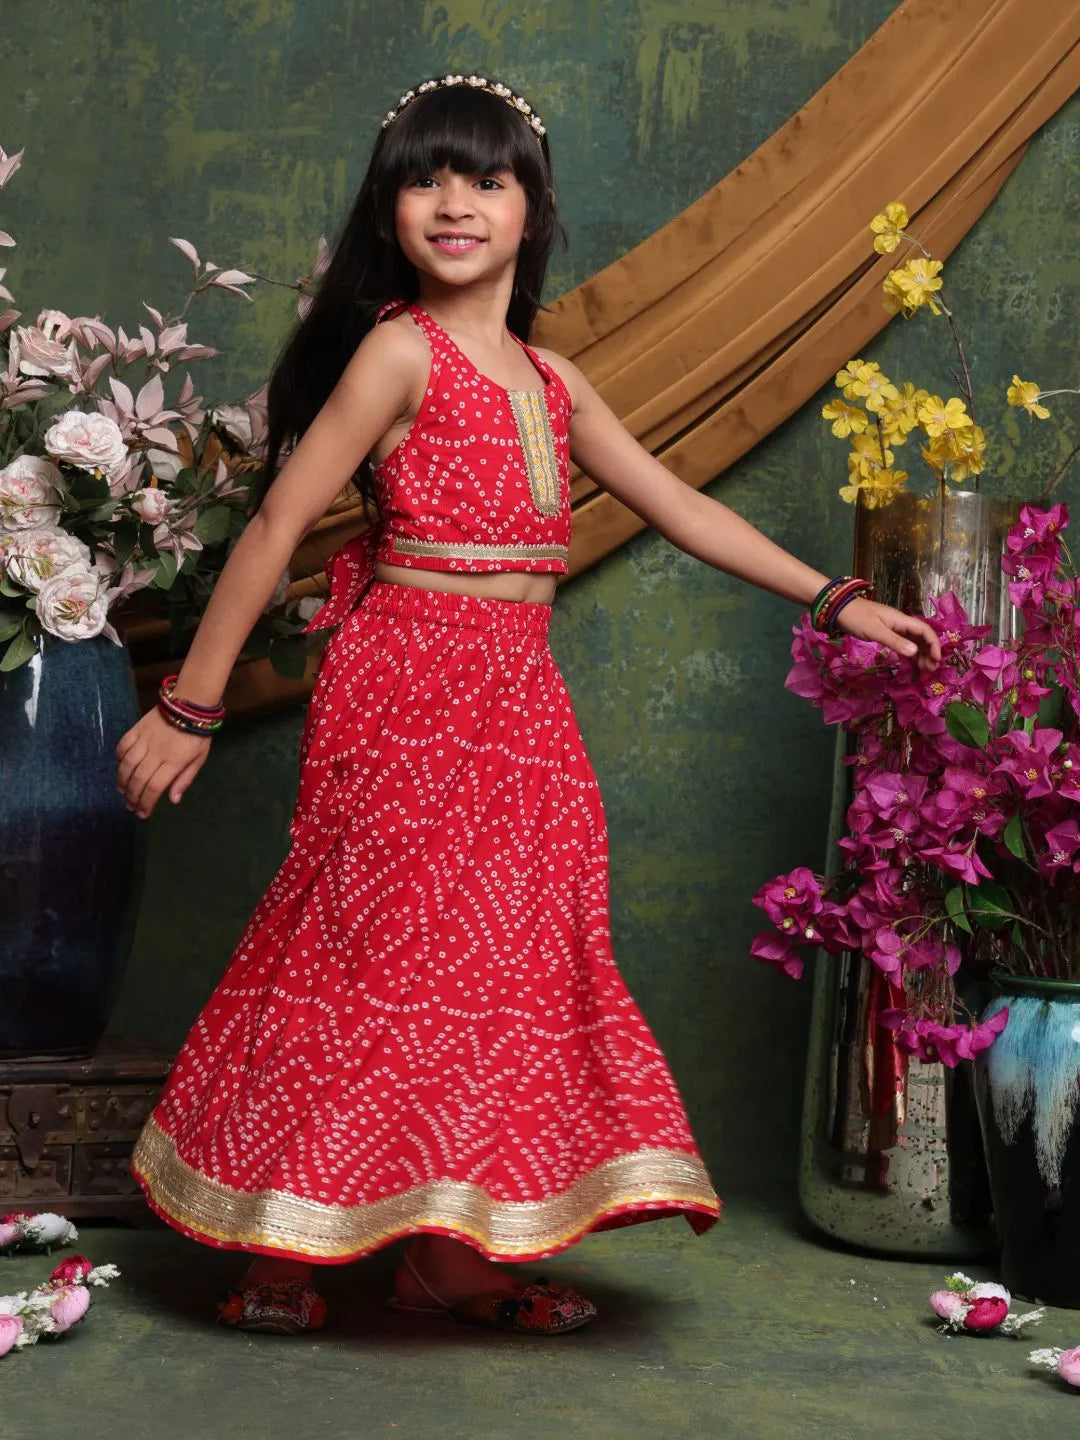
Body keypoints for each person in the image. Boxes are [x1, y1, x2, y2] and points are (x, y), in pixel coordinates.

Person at [118, 74, 941, 1337]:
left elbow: (680, 505)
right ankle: (279, 1239)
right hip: (404, 685)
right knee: (369, 954)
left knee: (503, 970)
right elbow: (282, 521)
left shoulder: (551, 382)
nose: (454, 203)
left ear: (533, 205)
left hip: (519, 697)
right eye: (424, 177)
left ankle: (448, 1254)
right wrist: (190, 706)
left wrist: (832, 598)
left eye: (485, 179)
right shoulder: (401, 349)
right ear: (389, 206)